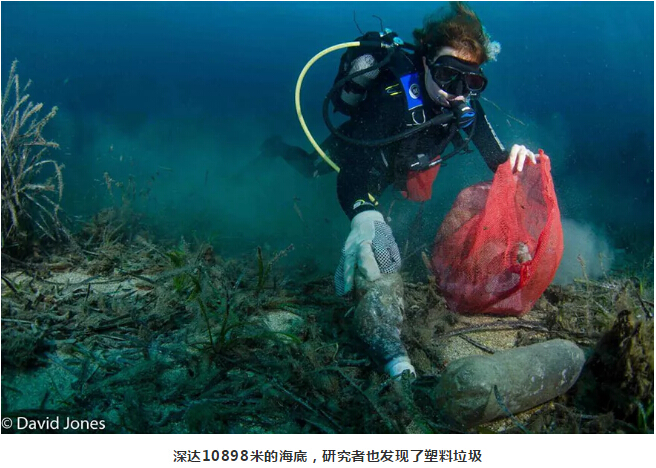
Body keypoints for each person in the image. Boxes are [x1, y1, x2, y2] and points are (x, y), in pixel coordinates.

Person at [261, 2, 538, 378]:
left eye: (471, 82)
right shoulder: (391, 98)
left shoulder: (466, 108)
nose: (457, 92)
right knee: (312, 170)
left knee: (401, 207)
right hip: (361, 151)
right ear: (425, 62)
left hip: (403, 169)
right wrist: (363, 213)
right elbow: (354, 172)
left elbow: (497, 159)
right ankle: (277, 148)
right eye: (447, 74)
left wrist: (515, 159)